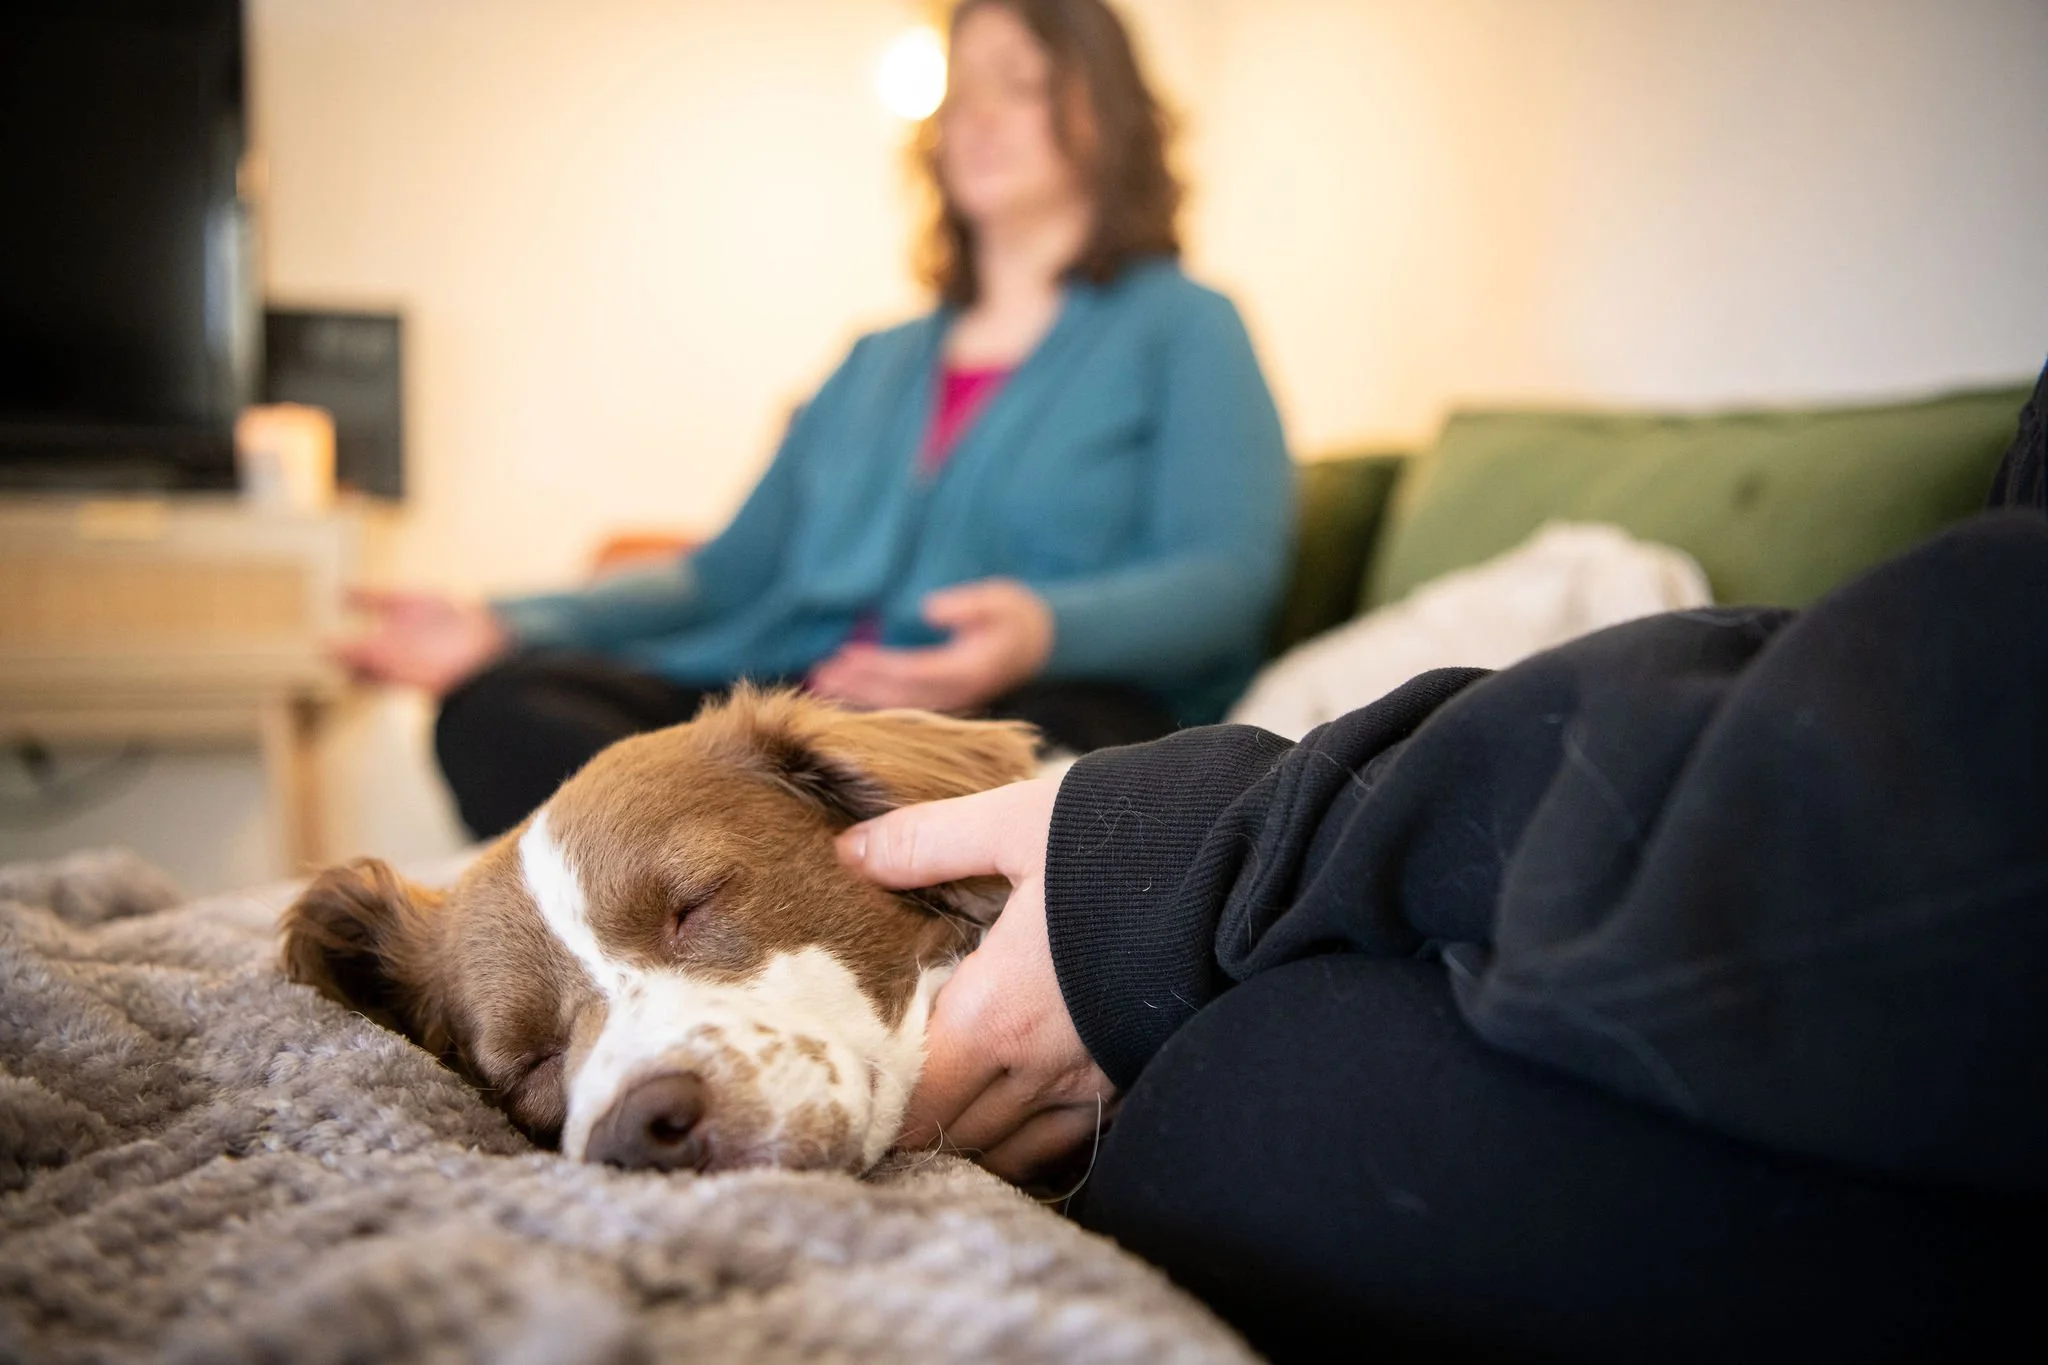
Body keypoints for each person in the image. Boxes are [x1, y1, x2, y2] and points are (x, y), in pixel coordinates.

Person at [837, 363, 2048, 1362]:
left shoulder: (1176, 333)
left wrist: (1218, 836)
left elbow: (1958, 756)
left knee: (1257, 1092)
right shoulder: (882, 363)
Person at [338, 0, 1292, 840]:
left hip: (1007, 715)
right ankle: (786, 851)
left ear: (1105, 109)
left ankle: (732, 848)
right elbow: (722, 574)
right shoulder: (874, 361)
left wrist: (1041, 631)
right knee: (495, 709)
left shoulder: (1188, 326)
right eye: (960, 93)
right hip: (804, 710)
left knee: (1055, 761)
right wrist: (504, 623)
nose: (977, 117)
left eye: (1020, 84)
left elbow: (1227, 577)